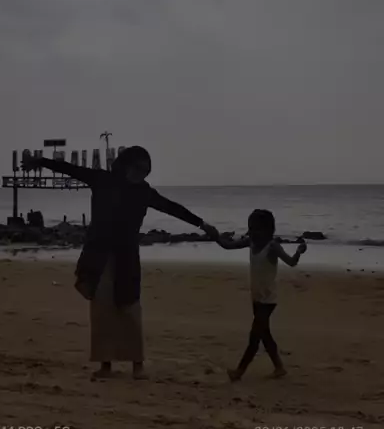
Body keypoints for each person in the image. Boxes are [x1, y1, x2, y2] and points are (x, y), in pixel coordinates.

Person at [21, 146, 219, 380]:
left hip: (127, 257)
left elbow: (172, 208)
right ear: (126, 164)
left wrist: (201, 224)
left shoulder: (144, 192)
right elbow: (69, 168)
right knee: (101, 309)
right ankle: (105, 365)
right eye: (138, 168)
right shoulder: (102, 179)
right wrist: (40, 162)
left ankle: (138, 365)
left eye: (146, 171)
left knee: (130, 308)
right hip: (99, 255)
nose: (141, 174)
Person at [217, 209, 307, 381]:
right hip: (257, 297)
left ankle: (239, 371)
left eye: (256, 229)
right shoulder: (250, 242)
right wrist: (214, 234)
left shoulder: (272, 246)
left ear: (268, 230)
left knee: (254, 336)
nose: (252, 232)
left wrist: (299, 251)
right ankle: (279, 367)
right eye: (250, 228)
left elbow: (291, 262)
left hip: (268, 300)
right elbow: (227, 245)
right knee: (265, 334)